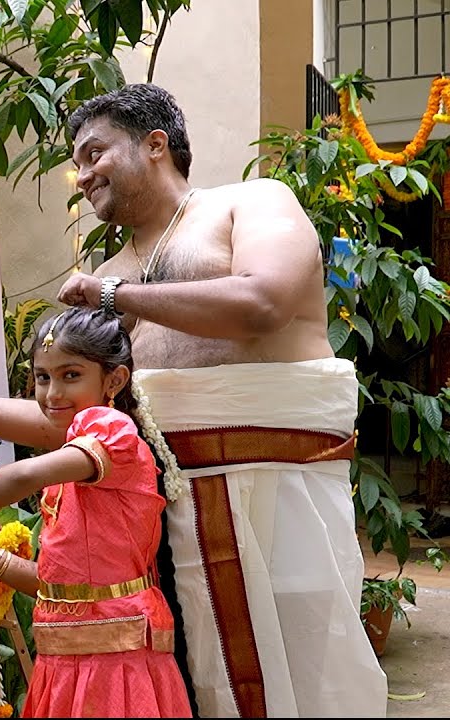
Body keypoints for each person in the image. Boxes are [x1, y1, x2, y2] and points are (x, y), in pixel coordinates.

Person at [54, 83, 386, 717]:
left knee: (304, 677)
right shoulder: (114, 268)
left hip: (278, 498)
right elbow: (86, 414)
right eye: (79, 161)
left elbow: (264, 303)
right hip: (157, 526)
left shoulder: (251, 202)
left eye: (95, 153)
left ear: (156, 144)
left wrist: (113, 298)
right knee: (184, 690)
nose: (83, 174)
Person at [0, 307, 190, 718]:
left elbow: (23, 475)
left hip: (119, 670)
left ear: (114, 380)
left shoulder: (112, 433)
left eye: (70, 375)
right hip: (63, 669)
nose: (53, 393)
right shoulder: (73, 467)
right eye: (43, 377)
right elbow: (54, 587)